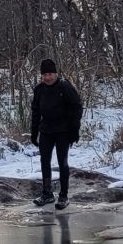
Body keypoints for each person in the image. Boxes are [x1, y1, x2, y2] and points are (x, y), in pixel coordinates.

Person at [28, 58, 83, 210]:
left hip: (63, 130)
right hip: (46, 130)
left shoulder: (64, 86)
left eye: (50, 74)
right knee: (44, 161)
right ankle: (47, 193)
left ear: (56, 74)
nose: (48, 77)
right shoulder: (39, 89)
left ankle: (63, 195)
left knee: (62, 162)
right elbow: (35, 111)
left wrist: (74, 130)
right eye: (45, 74)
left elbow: (77, 107)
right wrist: (34, 133)